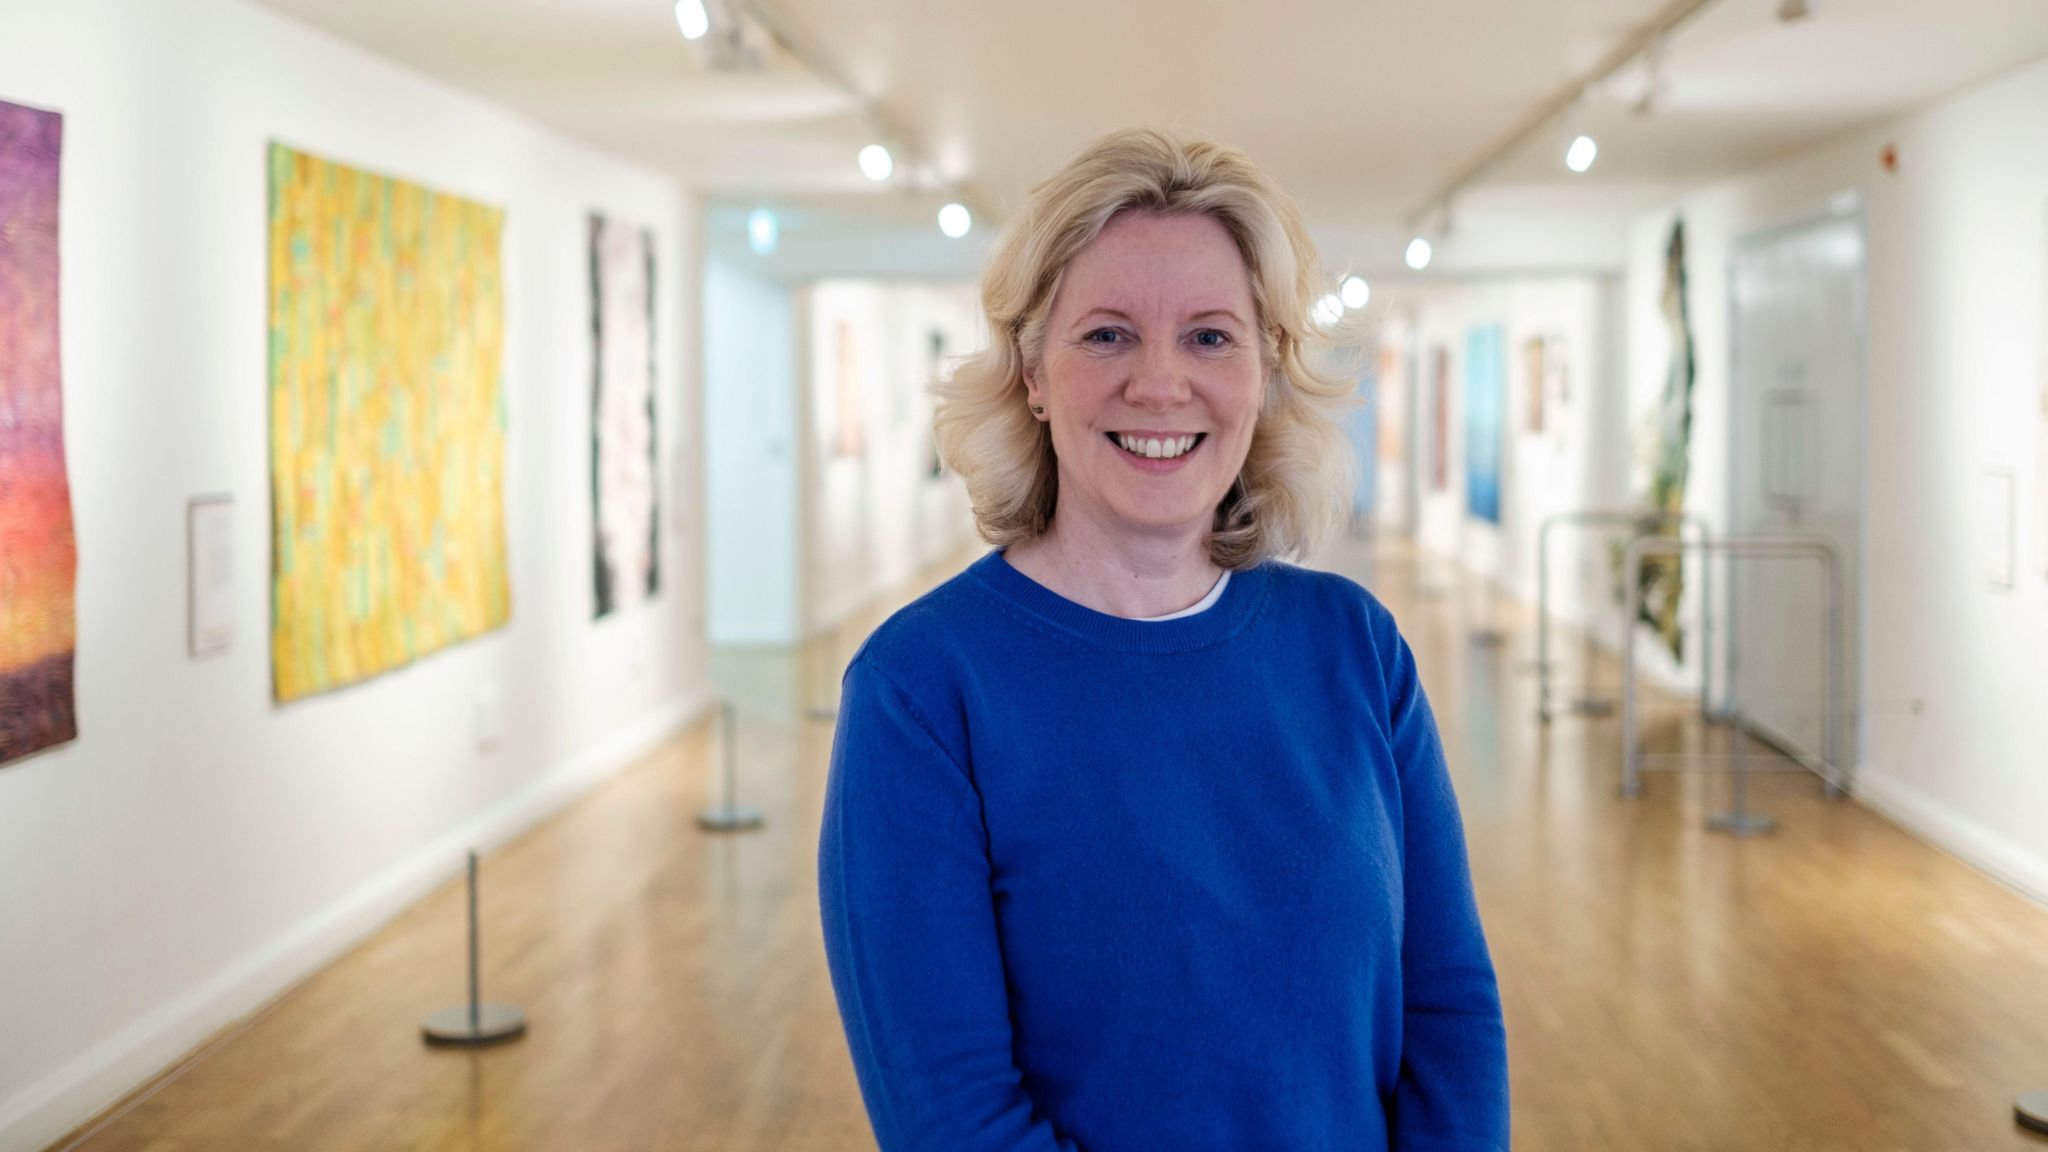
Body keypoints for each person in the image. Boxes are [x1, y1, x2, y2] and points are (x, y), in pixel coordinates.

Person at [817, 128, 1507, 1152]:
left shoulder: (1354, 648)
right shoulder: (923, 691)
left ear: (1265, 371)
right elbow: (951, 1119)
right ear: (1032, 373)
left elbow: (1447, 1009)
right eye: (1103, 335)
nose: (1157, 383)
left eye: (1208, 336)